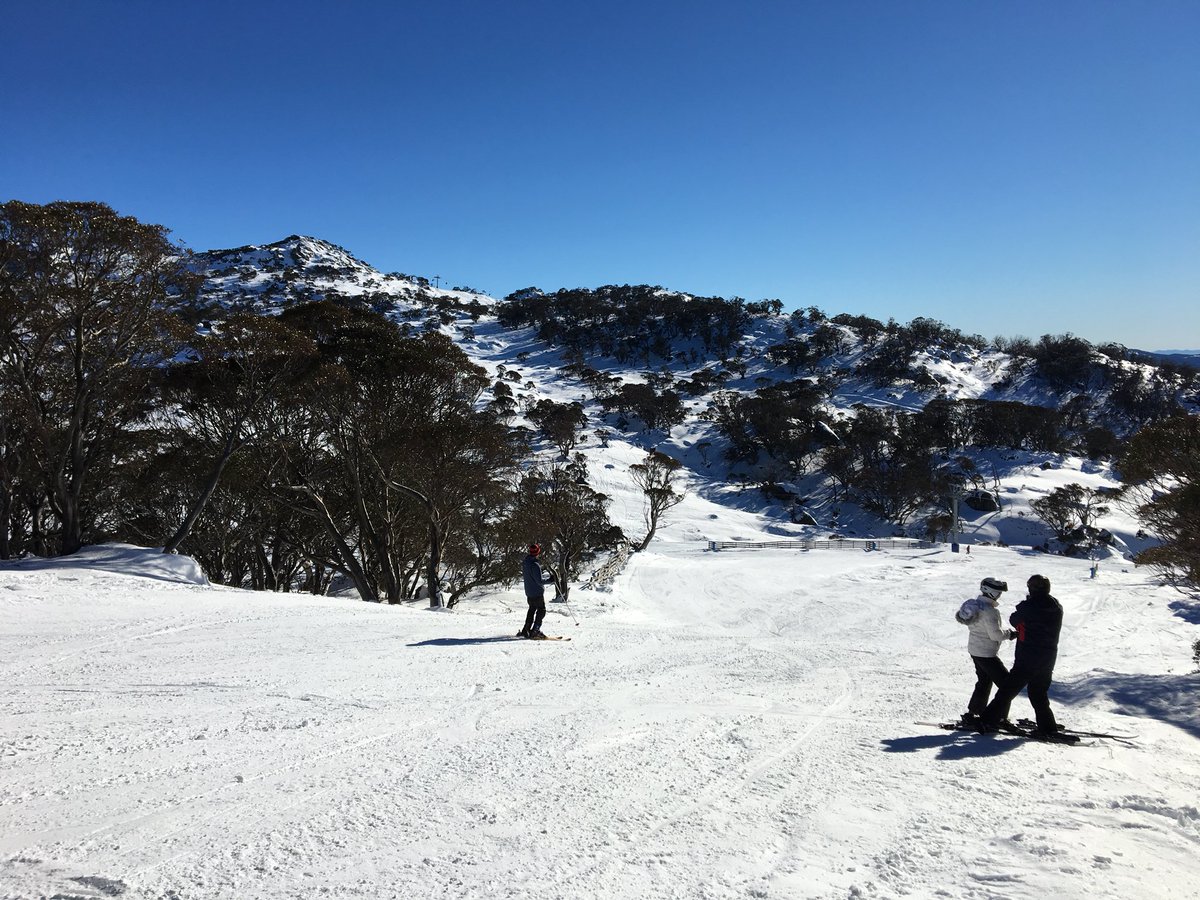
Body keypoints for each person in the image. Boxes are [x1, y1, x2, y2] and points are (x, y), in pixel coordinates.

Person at [977, 574, 1064, 735]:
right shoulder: (1056, 605)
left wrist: (1027, 603)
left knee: (1007, 691)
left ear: (1031, 588)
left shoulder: (1029, 606)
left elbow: (1014, 618)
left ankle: (987, 720)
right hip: (1048, 657)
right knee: (1038, 693)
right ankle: (1047, 727)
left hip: (1028, 657)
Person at [955, 577, 1016, 727]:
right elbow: (995, 635)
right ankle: (998, 717)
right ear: (992, 592)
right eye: (999, 592)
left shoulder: (975, 606)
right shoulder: (990, 612)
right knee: (1006, 685)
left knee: (984, 681)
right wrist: (1011, 634)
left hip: (975, 650)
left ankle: (973, 713)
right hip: (986, 653)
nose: (1000, 595)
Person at [518, 543, 556, 638]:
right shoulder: (535, 565)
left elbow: (533, 577)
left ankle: (526, 629)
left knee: (532, 609)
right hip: (536, 592)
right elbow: (539, 581)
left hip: (529, 591)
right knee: (541, 610)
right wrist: (550, 580)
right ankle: (535, 630)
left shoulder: (526, 562)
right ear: (538, 552)